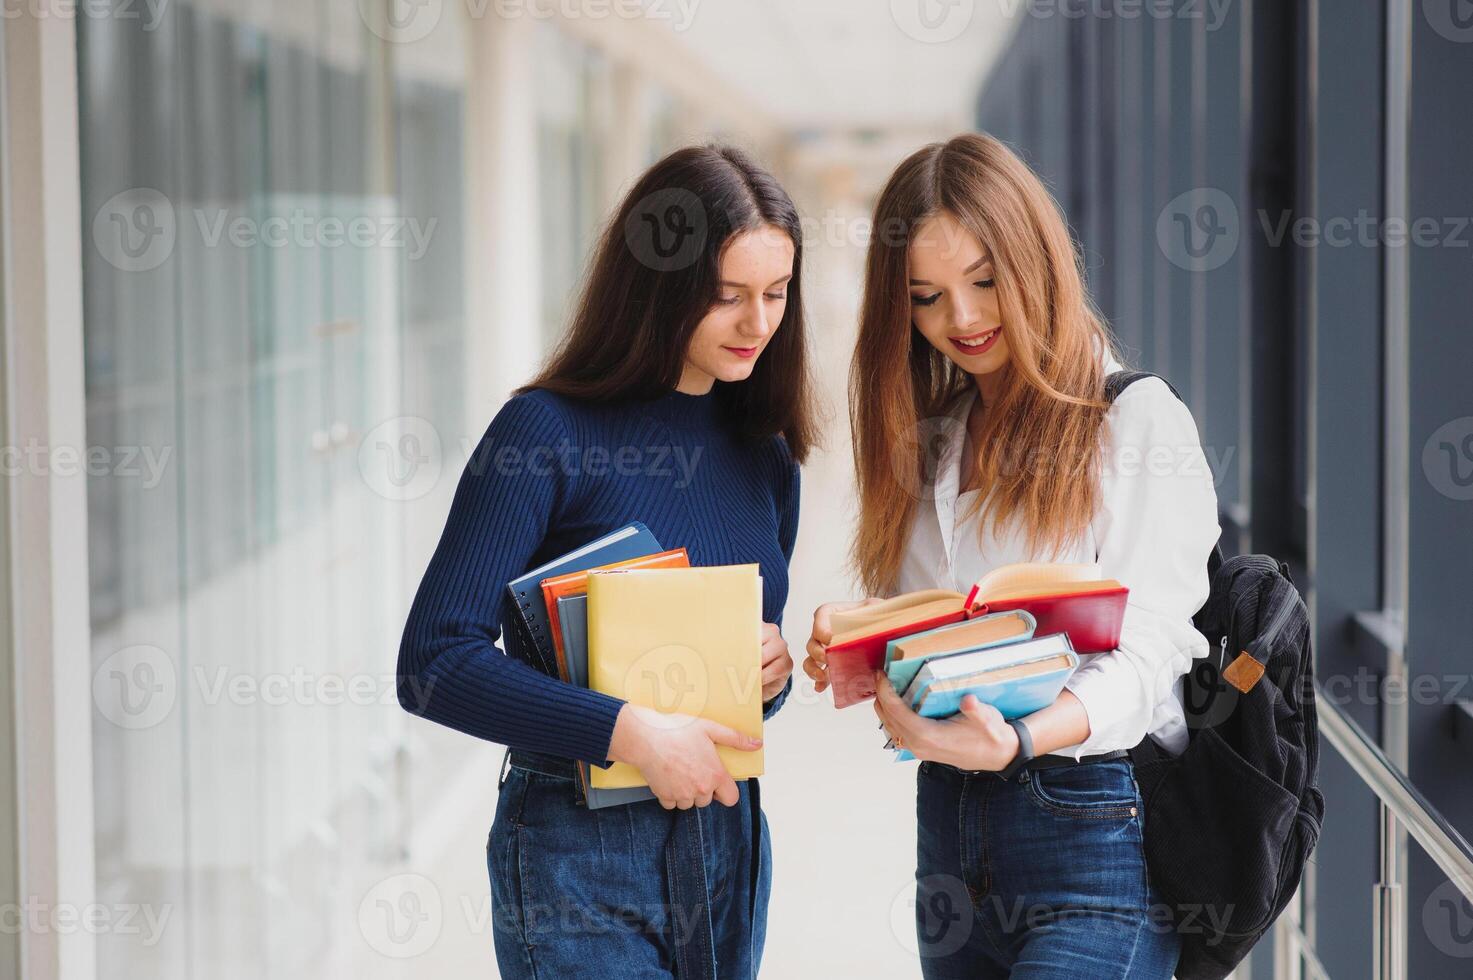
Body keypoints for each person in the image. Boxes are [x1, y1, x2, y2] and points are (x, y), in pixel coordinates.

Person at [804, 132, 1220, 978]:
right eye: (925, 296)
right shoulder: (937, 438)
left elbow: (1149, 656)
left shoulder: (1132, 423)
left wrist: (1020, 741)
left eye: (985, 281)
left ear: (1035, 262)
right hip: (950, 832)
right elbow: (937, 628)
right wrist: (857, 637)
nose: (960, 319)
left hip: (1090, 829)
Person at [397, 144, 815, 979]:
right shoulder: (542, 436)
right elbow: (434, 664)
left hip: (727, 836)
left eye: (774, 295)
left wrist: (769, 675)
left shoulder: (763, 454)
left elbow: (732, 685)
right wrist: (623, 730)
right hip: (576, 850)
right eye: (726, 296)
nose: (757, 324)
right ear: (657, 289)